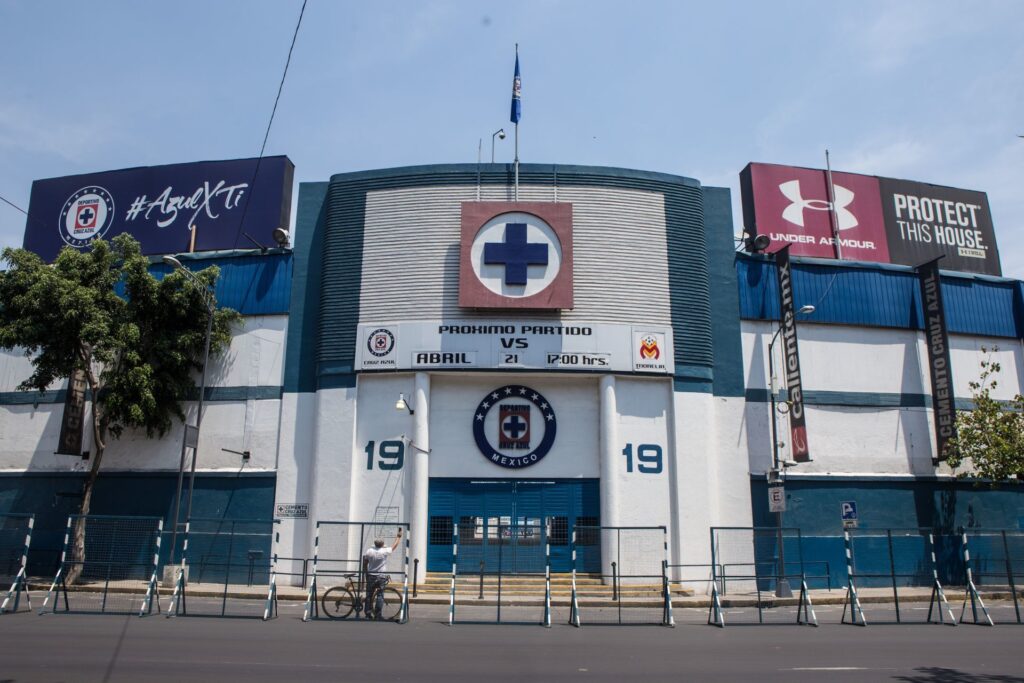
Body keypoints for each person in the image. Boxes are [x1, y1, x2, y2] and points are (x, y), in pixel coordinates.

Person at [362, 527, 402, 619]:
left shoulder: (369, 551)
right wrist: (398, 537)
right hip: (381, 577)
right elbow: (394, 546)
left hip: (371, 576)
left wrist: (366, 574)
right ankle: (378, 614)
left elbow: (365, 563)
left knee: (369, 595)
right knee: (380, 595)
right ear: (382, 544)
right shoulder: (384, 551)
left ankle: (368, 614)